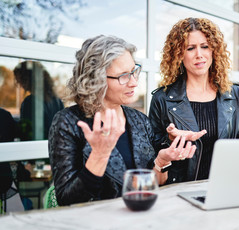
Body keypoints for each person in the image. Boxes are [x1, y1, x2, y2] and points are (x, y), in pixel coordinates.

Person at [48, 35, 196, 206]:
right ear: (96, 80)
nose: (134, 82)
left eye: (134, 71)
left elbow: (155, 183)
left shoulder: (139, 120)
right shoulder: (68, 122)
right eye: (123, 76)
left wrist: (161, 163)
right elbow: (67, 199)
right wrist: (99, 156)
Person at [149, 17, 239, 185]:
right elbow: (153, 152)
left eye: (204, 46)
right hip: (179, 191)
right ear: (178, 54)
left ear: (214, 50)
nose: (199, 54)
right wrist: (170, 139)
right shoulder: (162, 99)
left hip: (226, 186)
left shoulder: (234, 94)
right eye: (190, 48)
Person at [14, 61, 64, 140]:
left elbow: (27, 134)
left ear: (27, 79)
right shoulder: (57, 101)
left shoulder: (30, 102)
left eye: (19, 80)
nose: (19, 84)